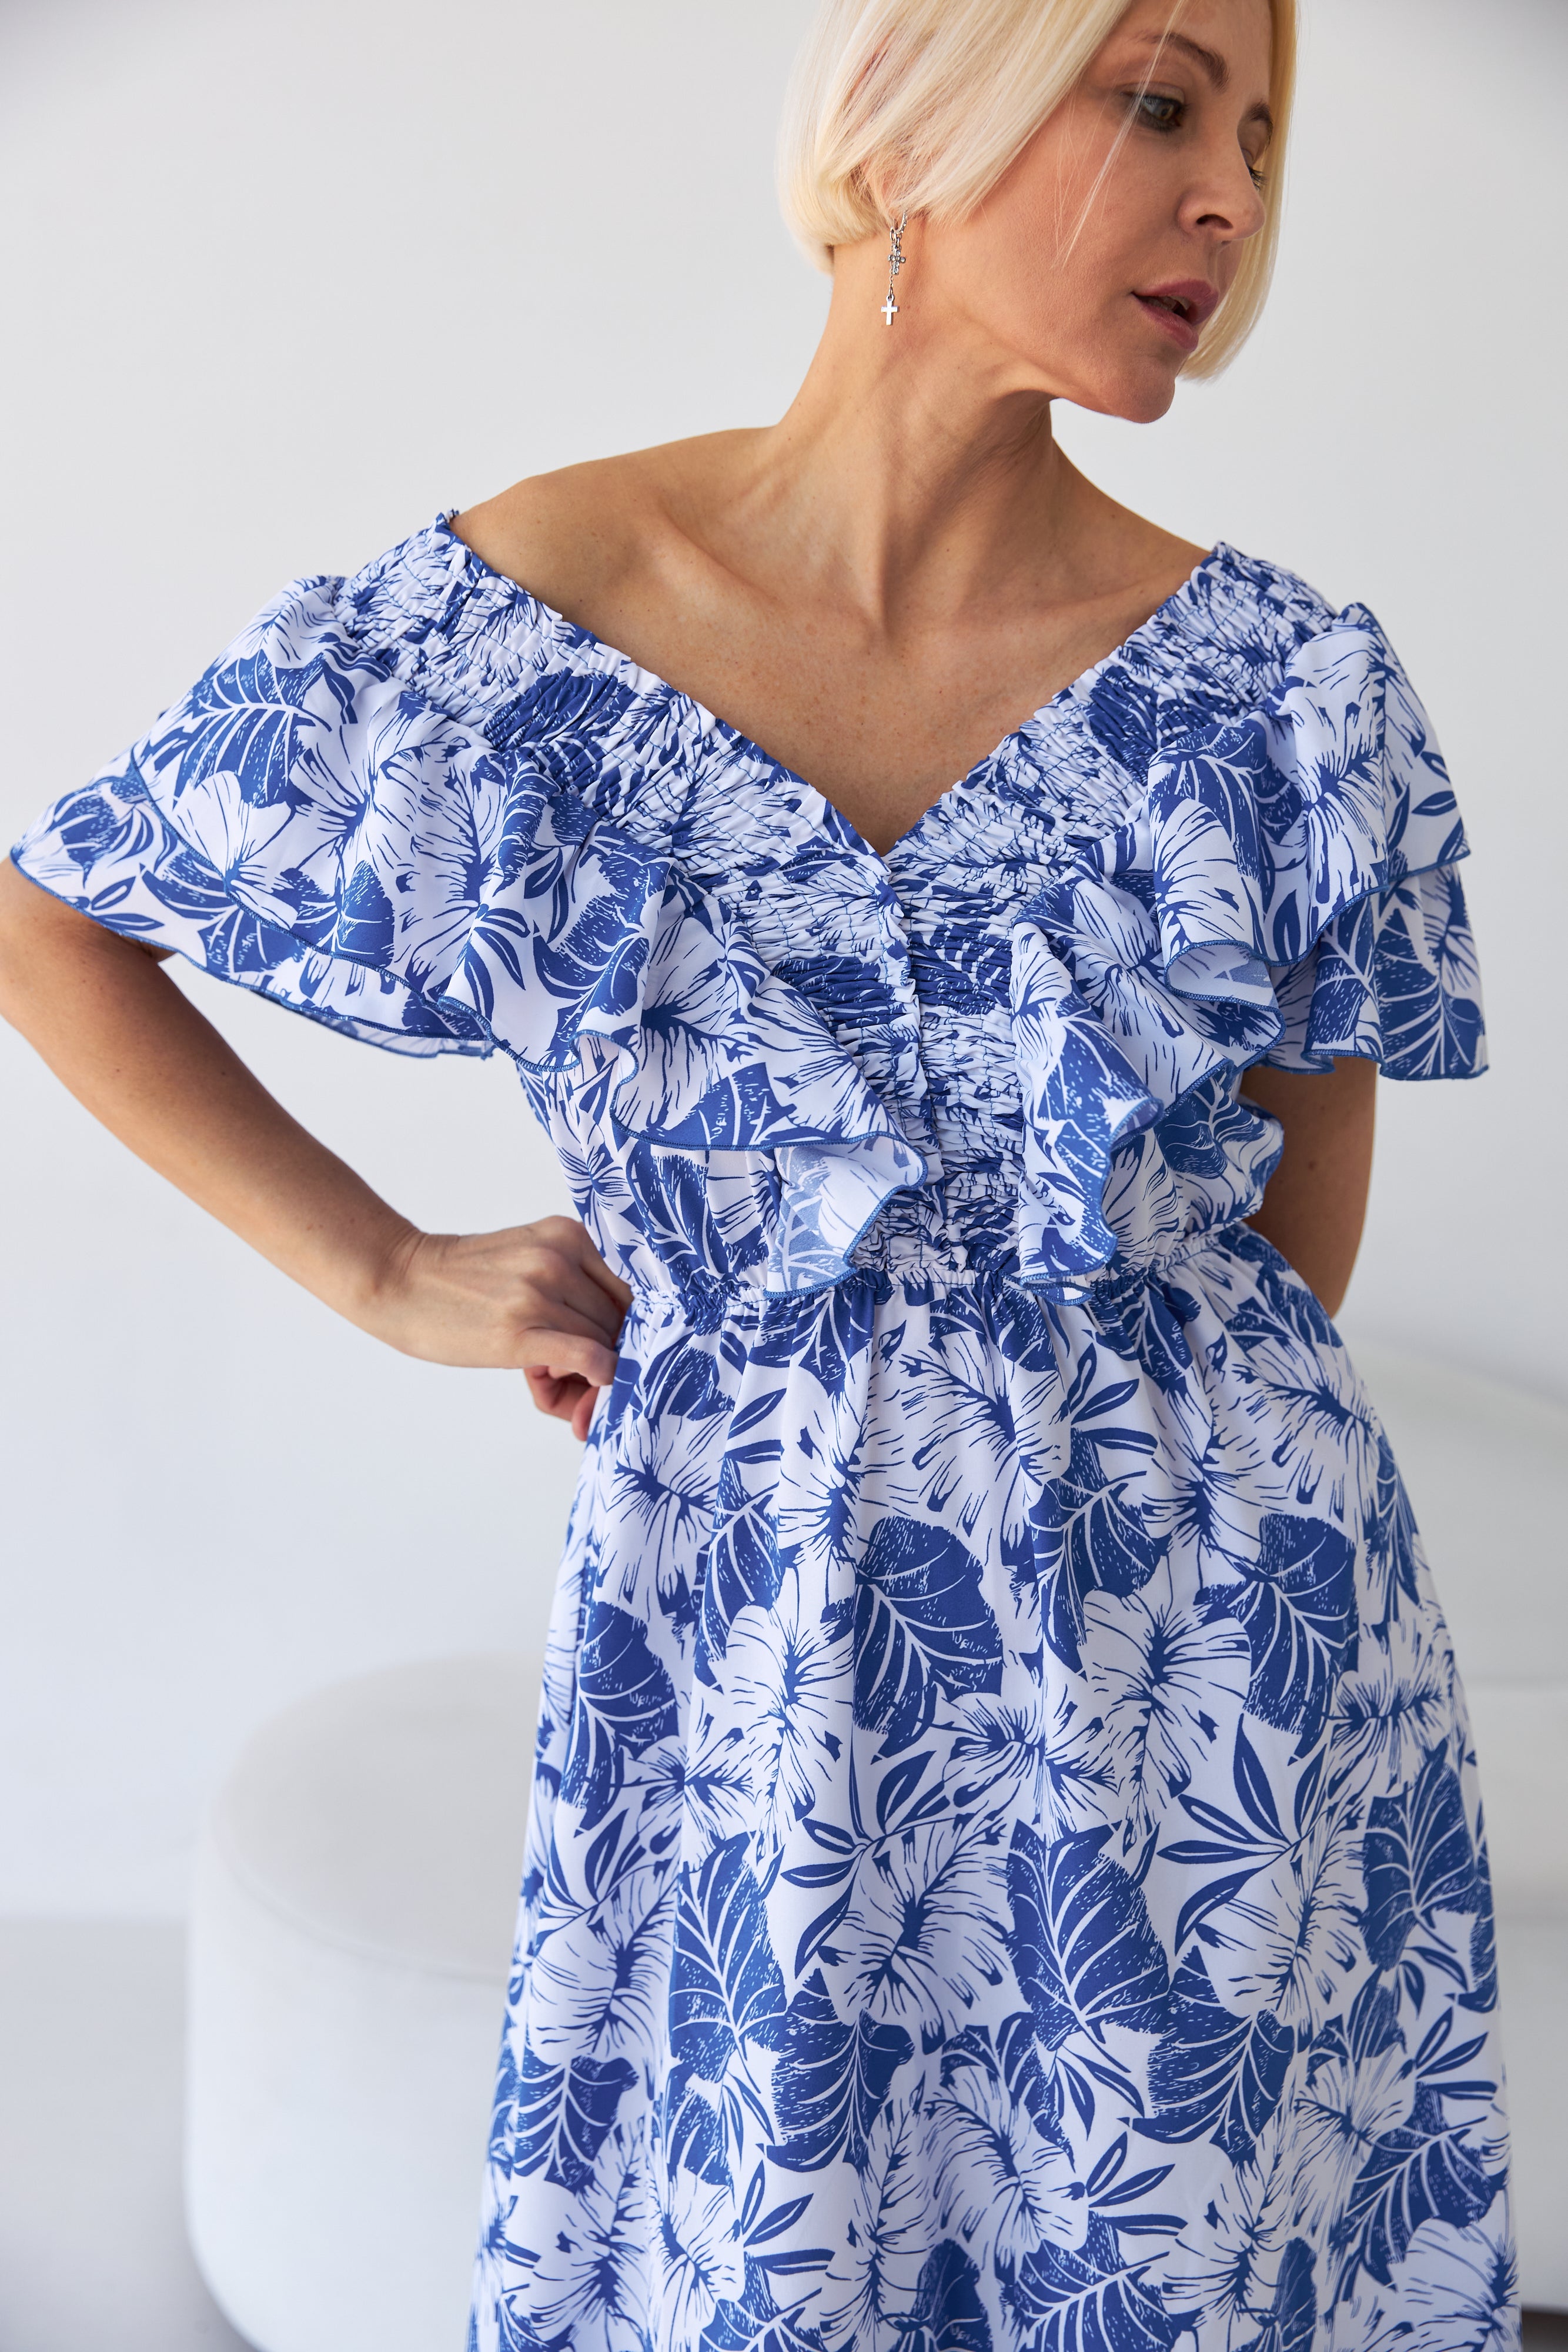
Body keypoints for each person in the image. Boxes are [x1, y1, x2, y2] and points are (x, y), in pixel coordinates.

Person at [0, 0, 1516, 2344]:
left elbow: (1288, 1260)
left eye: (1255, 130)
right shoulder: (511, 626)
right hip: (742, 1632)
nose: (1229, 190)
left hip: (1219, 1668)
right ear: (912, 120)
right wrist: (385, 1267)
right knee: (750, 2255)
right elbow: (56, 920)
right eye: (1154, 95)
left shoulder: (1290, 700)